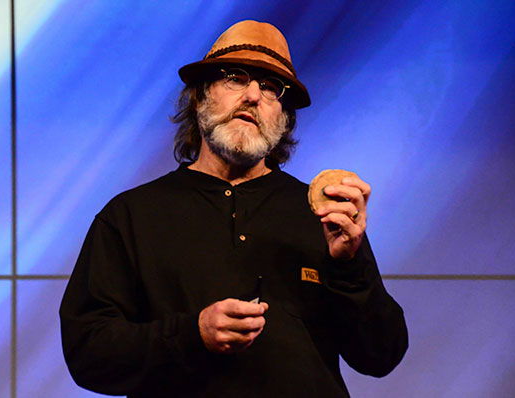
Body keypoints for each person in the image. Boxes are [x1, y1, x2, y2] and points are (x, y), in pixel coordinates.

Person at [60, 20, 408, 397]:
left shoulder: (324, 218)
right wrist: (192, 335)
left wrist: (349, 267)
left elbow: (381, 356)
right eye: (236, 78)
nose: (254, 96)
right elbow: (88, 353)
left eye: (272, 87)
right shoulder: (131, 215)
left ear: (285, 118)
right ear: (199, 97)